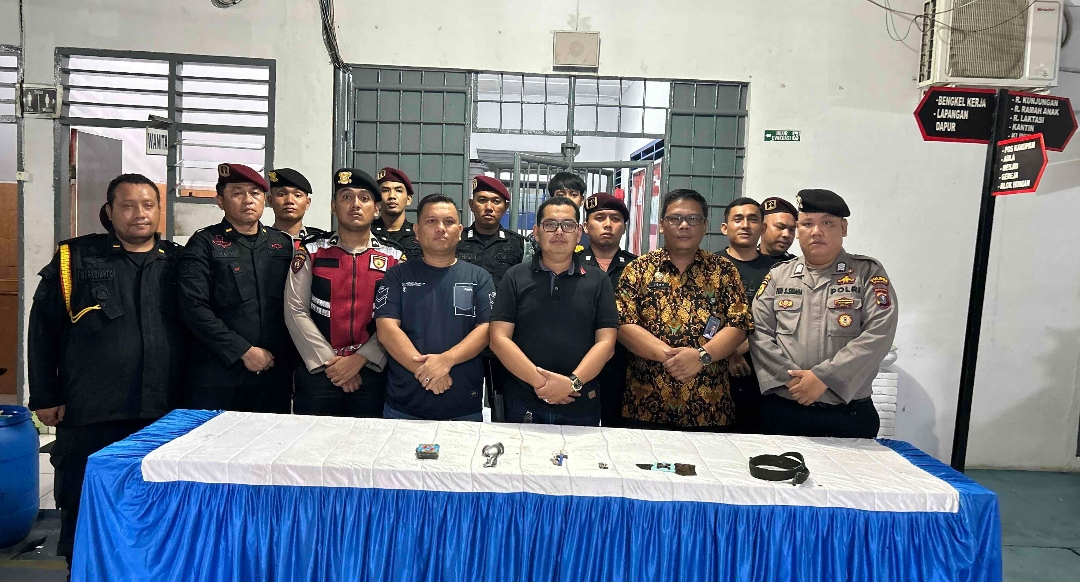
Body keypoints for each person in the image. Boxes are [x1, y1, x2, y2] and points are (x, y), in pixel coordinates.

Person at [28, 173, 187, 569]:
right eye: (128, 206)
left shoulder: (179, 262)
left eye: (148, 205)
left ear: (159, 211)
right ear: (109, 211)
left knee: (155, 507)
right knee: (84, 502)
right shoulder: (75, 259)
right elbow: (43, 329)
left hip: (162, 411)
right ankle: (82, 571)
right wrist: (45, 395)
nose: (139, 214)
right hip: (91, 411)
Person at [749, 189, 898, 438]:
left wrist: (824, 378)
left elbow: (878, 333)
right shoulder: (779, 275)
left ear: (844, 228)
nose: (816, 231)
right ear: (798, 230)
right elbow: (759, 332)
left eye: (827, 223)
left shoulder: (867, 273)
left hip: (848, 414)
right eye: (807, 224)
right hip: (784, 410)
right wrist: (793, 381)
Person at [616, 189, 752, 431]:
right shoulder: (637, 270)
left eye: (693, 219)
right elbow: (623, 324)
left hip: (710, 408)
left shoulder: (724, 271)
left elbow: (739, 324)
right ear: (661, 224)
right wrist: (674, 359)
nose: (684, 225)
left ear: (704, 225)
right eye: (675, 218)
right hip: (645, 404)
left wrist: (701, 357)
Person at [489, 197, 618, 426]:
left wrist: (571, 383)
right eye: (550, 224)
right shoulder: (515, 277)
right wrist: (542, 384)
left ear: (578, 233)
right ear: (536, 232)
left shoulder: (598, 280)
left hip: (580, 402)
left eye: (568, 225)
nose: (559, 231)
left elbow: (606, 344)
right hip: (523, 402)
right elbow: (498, 339)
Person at [285, 169, 403, 417]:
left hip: (372, 371)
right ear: (333, 207)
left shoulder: (394, 257)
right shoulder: (311, 250)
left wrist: (360, 359)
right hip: (319, 371)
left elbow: (397, 317)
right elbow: (295, 310)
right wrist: (331, 363)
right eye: (346, 197)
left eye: (364, 198)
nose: (355, 204)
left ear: (376, 209)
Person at [179, 163, 295, 413]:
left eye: (255, 193)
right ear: (220, 201)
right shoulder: (204, 244)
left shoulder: (282, 244)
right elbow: (193, 307)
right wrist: (243, 351)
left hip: (275, 375)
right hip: (220, 375)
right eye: (237, 193)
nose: (248, 200)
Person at [374, 194, 494, 421]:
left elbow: (486, 329)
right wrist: (429, 372)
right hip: (404, 404)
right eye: (431, 221)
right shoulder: (397, 276)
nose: (441, 228)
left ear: (460, 230)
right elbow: (387, 330)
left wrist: (446, 360)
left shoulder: (480, 278)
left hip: (463, 405)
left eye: (449, 222)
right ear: (417, 231)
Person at [456, 175, 525, 415]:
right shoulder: (456, 240)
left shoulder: (518, 244)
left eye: (496, 201)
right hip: (463, 332)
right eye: (482, 200)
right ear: (471, 204)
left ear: (505, 207)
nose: (488, 207)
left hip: (503, 334)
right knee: (462, 397)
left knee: (502, 403)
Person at [578, 193, 637, 427]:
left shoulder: (638, 267)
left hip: (626, 364)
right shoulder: (571, 264)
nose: (608, 224)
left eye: (615, 219)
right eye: (600, 218)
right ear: (585, 226)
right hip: (579, 360)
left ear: (624, 227)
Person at [719, 197, 774, 433]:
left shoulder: (777, 271)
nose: (745, 225)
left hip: (764, 370)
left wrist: (746, 345)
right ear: (725, 227)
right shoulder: (710, 266)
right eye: (738, 219)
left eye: (753, 220)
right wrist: (729, 351)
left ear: (762, 228)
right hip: (714, 368)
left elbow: (781, 320)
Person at [524, 171, 589, 262]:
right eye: (561, 195)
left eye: (574, 195)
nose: (567, 198)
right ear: (552, 198)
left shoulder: (590, 237)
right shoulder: (536, 237)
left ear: (582, 200)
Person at [267, 167, 327, 248]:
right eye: (281, 194)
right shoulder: (260, 241)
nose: (289, 201)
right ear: (270, 201)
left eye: (297, 195)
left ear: (307, 203)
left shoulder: (320, 243)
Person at [371, 167, 420, 258]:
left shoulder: (419, 235)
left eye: (398, 190)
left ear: (408, 199)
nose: (392, 196)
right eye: (385, 190)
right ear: (377, 198)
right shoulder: (367, 233)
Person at [759, 196, 798, 261]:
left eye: (792, 230)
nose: (786, 234)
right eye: (780, 227)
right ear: (761, 228)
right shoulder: (744, 260)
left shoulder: (797, 265)